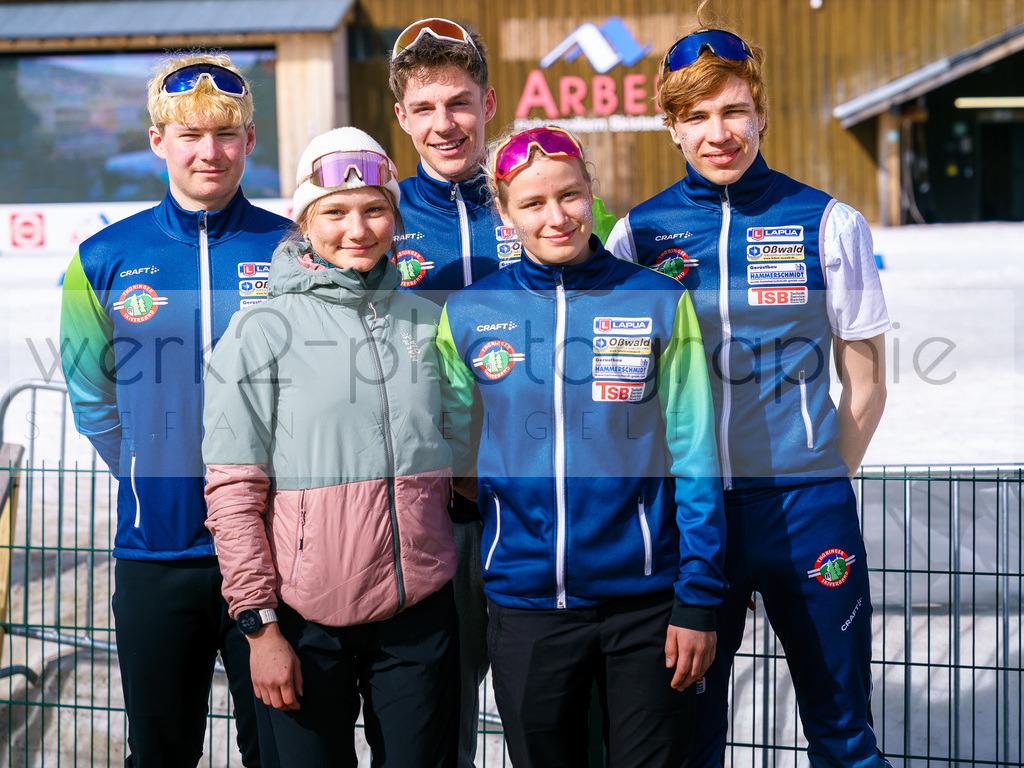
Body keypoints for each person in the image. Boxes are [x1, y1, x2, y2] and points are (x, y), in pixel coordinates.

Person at [606, 11, 892, 768]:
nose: (719, 133)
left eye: (734, 110)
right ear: (670, 128)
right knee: (690, 740)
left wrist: (822, 478)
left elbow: (864, 384)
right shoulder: (637, 237)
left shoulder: (828, 222)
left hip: (806, 510)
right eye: (696, 116)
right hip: (695, 524)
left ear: (761, 112)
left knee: (841, 732)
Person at [435, 125, 727, 768]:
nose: (556, 216)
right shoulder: (470, 312)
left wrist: (699, 597)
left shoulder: (654, 298)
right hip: (525, 604)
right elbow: (452, 446)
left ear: (591, 193)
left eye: (569, 195)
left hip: (648, 605)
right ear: (506, 215)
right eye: (533, 203)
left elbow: (695, 455)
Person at [388, 21, 619, 765]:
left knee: (563, 721)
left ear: (488, 101)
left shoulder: (544, 201)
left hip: (552, 509)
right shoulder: (378, 221)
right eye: (423, 109)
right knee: (438, 719)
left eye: (458, 103)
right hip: (436, 513)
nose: (443, 124)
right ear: (401, 118)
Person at [201, 127, 462, 768]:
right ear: (305, 221)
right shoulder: (261, 329)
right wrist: (259, 627)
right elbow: (234, 490)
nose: (358, 228)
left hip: (418, 611)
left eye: (375, 208)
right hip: (304, 618)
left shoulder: (428, 322)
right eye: (335, 211)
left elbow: (466, 444)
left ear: (395, 217)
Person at [60, 52, 290, 768]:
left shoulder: (293, 248)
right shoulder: (100, 257)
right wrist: (146, 473)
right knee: (160, 751)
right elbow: (90, 397)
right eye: (189, 135)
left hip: (276, 550)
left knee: (282, 751)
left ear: (251, 141)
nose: (209, 152)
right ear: (158, 141)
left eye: (226, 135)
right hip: (157, 553)